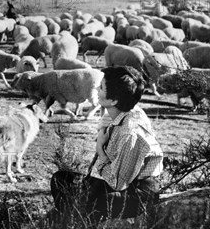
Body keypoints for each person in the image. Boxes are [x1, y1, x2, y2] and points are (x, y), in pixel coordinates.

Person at [51, 66, 163, 221]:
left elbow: (118, 183)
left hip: (137, 196)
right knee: (61, 180)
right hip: (127, 185)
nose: (96, 88)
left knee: (84, 199)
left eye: (101, 87)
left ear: (114, 100)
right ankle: (73, 224)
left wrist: (100, 150)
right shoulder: (128, 109)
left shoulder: (130, 134)